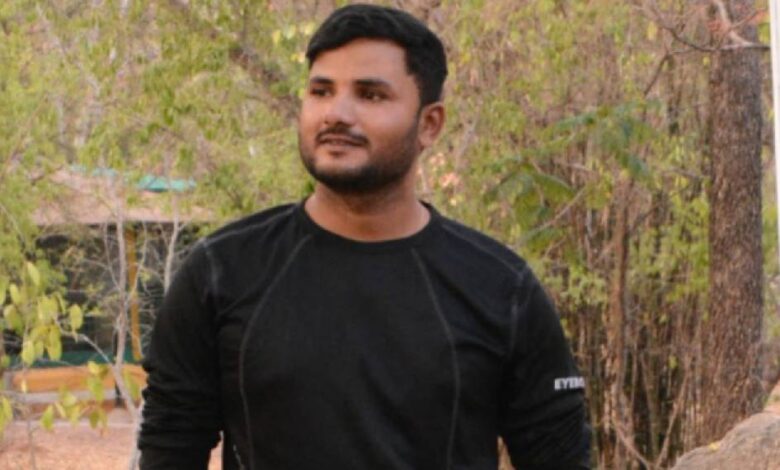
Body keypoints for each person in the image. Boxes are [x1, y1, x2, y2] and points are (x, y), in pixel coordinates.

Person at [138, 4, 590, 469]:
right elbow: (169, 449)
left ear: (429, 124)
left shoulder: (501, 288)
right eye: (321, 91)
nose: (337, 114)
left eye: (370, 95)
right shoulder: (222, 272)